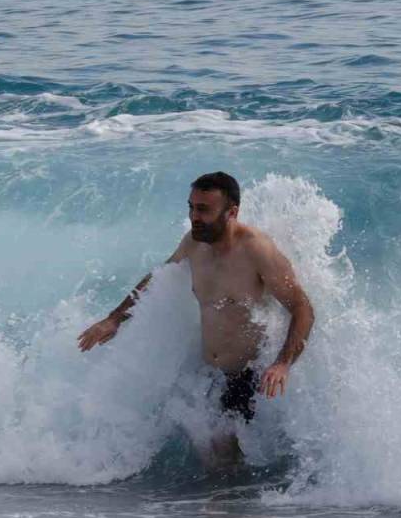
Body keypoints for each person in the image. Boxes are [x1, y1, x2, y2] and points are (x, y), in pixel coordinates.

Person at [77, 172, 314, 462]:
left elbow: (302, 308)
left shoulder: (256, 250)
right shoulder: (193, 243)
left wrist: (283, 363)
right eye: (191, 207)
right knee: (212, 460)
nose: (194, 217)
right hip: (208, 375)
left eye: (203, 210)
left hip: (247, 376)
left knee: (222, 458)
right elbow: (158, 278)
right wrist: (114, 318)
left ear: (232, 212)